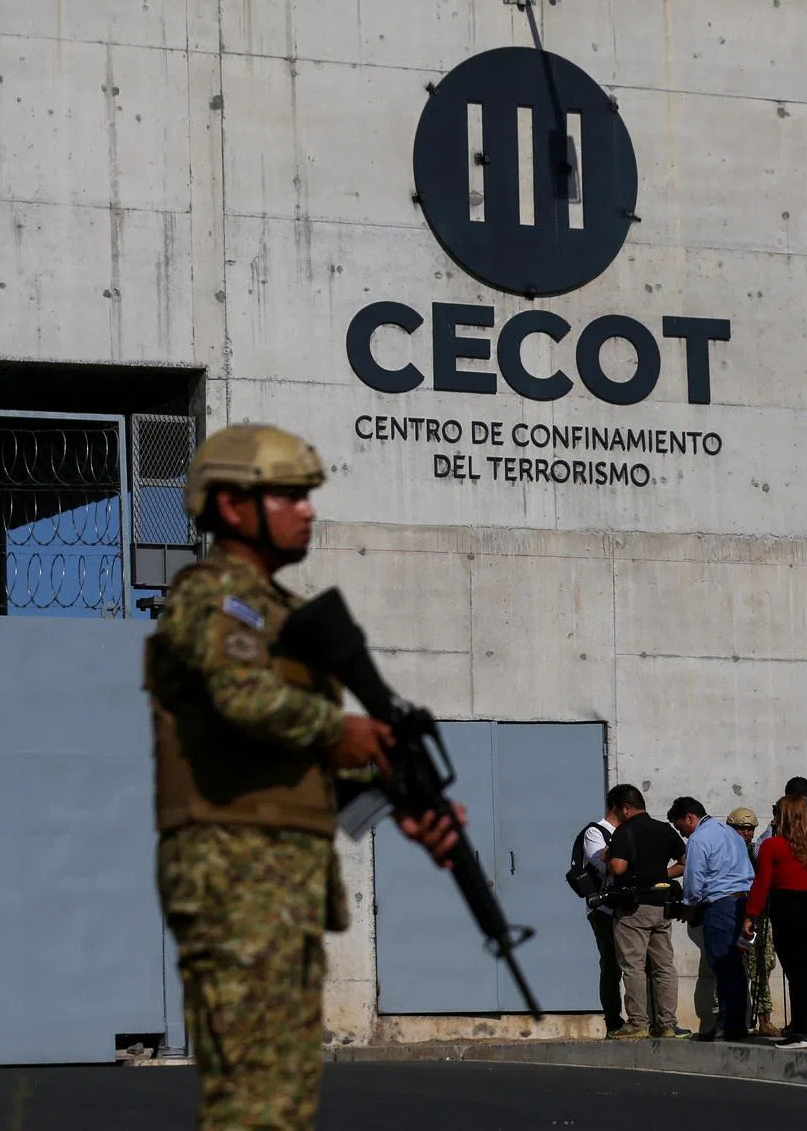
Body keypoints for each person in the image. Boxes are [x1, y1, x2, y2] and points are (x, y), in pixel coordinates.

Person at [146, 424, 460, 1130]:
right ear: (232, 506)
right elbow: (240, 701)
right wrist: (342, 732)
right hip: (232, 874)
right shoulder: (215, 599)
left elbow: (280, 760)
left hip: (281, 880)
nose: (308, 510)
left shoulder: (278, 612)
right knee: (253, 1102)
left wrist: (390, 799)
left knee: (282, 1102)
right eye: (289, 495)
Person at [744, 794, 807, 1050]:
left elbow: (762, 883)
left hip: (789, 907)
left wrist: (751, 915)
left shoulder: (773, 846)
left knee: (796, 972)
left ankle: (801, 1031)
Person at [668, 797, 754, 1041]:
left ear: (689, 818)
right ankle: (736, 1022)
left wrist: (689, 907)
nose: (682, 834)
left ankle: (728, 1024)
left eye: (680, 827)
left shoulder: (699, 838)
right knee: (736, 965)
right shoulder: (730, 833)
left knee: (724, 965)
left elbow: (694, 881)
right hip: (742, 902)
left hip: (719, 904)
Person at [605, 785, 687, 1039]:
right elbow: (685, 861)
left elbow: (618, 868)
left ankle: (638, 1023)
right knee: (664, 966)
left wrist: (607, 856)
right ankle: (667, 1024)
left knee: (634, 966)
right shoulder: (664, 829)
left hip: (633, 908)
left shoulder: (624, 831)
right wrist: (661, 875)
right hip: (661, 906)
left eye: (616, 810)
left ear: (625, 808)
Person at [727, 807, 778, 1037]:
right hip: (731, 913)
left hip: (757, 916)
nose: (746, 833)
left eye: (749, 829)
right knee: (727, 967)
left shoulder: (757, 851)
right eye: (741, 828)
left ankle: (764, 1018)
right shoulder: (725, 851)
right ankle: (728, 1018)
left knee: (763, 964)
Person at [581, 795, 623, 1037]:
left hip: (626, 907)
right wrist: (620, 846)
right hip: (603, 910)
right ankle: (613, 1021)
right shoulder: (595, 832)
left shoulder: (628, 832)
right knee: (610, 965)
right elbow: (604, 865)